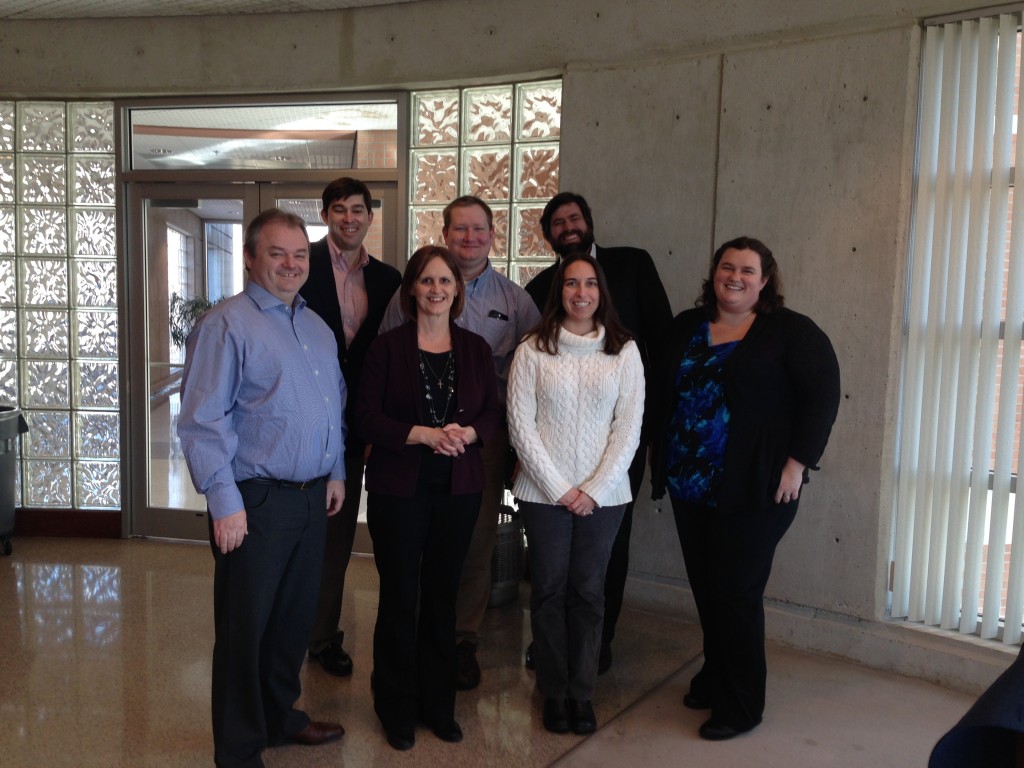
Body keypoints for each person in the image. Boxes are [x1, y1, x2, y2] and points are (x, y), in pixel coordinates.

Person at [650, 236, 840, 741]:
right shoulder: (687, 326)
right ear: (714, 273)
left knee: (735, 592)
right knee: (708, 589)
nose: (735, 277)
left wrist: (797, 464)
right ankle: (716, 676)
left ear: (765, 280)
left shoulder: (792, 332)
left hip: (757, 486)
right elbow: (660, 390)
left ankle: (741, 705)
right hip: (690, 484)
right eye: (727, 267)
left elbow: (822, 398)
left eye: (747, 270)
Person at [177, 208, 346, 767]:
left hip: (311, 497)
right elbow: (203, 420)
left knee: (291, 624)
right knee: (244, 631)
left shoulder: (316, 327)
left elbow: (334, 405)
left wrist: (336, 471)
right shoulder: (226, 324)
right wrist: (223, 502)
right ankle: (240, 749)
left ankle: (280, 718)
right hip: (255, 501)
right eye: (277, 254)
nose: (291, 264)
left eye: (299, 254)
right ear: (251, 259)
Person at [381, 195, 540, 690]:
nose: (470, 238)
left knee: (473, 543)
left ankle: (461, 640)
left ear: (492, 235)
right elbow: (383, 366)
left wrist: (517, 444)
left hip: (481, 441)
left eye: (479, 229)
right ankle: (415, 637)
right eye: (460, 229)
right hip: (412, 443)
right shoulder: (407, 295)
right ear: (445, 234)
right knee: (413, 546)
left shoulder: (516, 302)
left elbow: (537, 372)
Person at [359, 245, 501, 750]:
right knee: (400, 596)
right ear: (412, 289)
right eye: (427, 281)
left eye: (445, 281)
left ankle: (439, 705)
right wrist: (420, 434)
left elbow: (492, 412)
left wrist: (469, 433)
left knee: (443, 597)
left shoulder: (475, 348)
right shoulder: (386, 348)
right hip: (399, 489)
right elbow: (365, 417)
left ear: (457, 290)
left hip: (458, 489)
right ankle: (396, 706)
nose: (436, 289)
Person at [524, 191, 672, 674]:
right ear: (548, 236)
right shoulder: (540, 287)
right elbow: (529, 379)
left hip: (622, 439)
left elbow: (663, 343)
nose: (568, 227)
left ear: (589, 222)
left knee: (608, 548)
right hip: (551, 450)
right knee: (551, 563)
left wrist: (655, 432)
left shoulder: (633, 265)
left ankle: (597, 641)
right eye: (557, 222)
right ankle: (553, 646)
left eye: (574, 218)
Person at [508, 252, 644, 735]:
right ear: (559, 291)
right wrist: (561, 489)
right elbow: (520, 427)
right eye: (571, 283)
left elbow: (628, 429)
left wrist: (593, 489)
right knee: (547, 590)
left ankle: (581, 693)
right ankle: (553, 690)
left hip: (605, 497)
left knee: (588, 592)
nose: (580, 292)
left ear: (600, 292)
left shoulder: (624, 351)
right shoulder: (532, 349)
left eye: (589, 283)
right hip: (543, 494)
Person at [300, 176, 402, 678]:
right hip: (301, 426)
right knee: (297, 538)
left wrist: (376, 431)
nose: (349, 218)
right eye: (338, 209)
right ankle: (285, 631)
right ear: (325, 216)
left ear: (369, 217)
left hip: (357, 430)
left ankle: (321, 637)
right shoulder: (302, 266)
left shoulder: (388, 280)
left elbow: (392, 359)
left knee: (336, 541)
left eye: (357, 209)